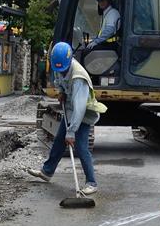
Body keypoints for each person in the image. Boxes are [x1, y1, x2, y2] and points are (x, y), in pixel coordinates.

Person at [27, 41, 106, 195]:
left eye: (63, 70)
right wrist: (62, 91)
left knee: (81, 147)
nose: (61, 72)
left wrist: (71, 132)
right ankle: (47, 172)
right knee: (58, 141)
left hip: (83, 115)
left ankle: (92, 182)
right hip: (70, 111)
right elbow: (60, 80)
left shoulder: (78, 78)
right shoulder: (60, 65)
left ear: (70, 61)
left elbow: (80, 108)